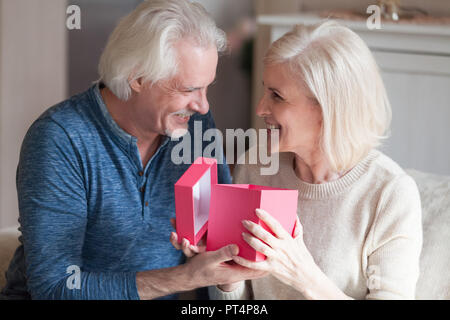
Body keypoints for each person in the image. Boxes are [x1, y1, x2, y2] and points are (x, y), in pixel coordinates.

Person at [0, 0, 263, 300]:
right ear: (137, 78)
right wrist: (182, 278)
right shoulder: (60, 139)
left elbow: (221, 247)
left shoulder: (196, 126)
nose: (203, 105)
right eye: (189, 90)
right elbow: (56, 287)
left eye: (207, 88)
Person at [175, 21, 423, 300]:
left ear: (327, 109)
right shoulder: (257, 166)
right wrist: (226, 270)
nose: (260, 108)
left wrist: (303, 274)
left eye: (277, 96)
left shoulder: (390, 195)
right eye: (265, 90)